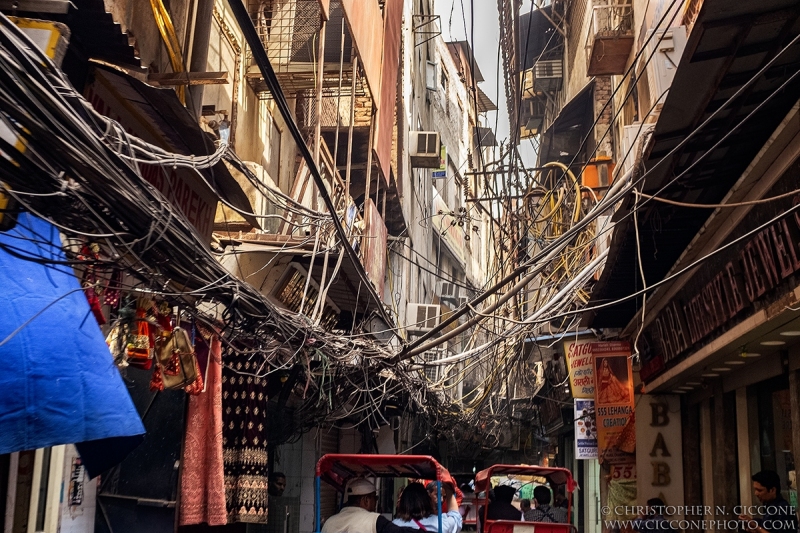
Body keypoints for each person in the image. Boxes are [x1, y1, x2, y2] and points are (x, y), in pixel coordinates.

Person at [323, 479, 419, 533]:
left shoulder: (329, 522)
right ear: (366, 500)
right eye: (375, 498)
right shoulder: (373, 520)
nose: (376, 502)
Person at [393, 482, 462, 533]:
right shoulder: (439, 523)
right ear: (427, 500)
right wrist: (448, 488)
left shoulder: (394, 525)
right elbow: (456, 518)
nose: (441, 499)